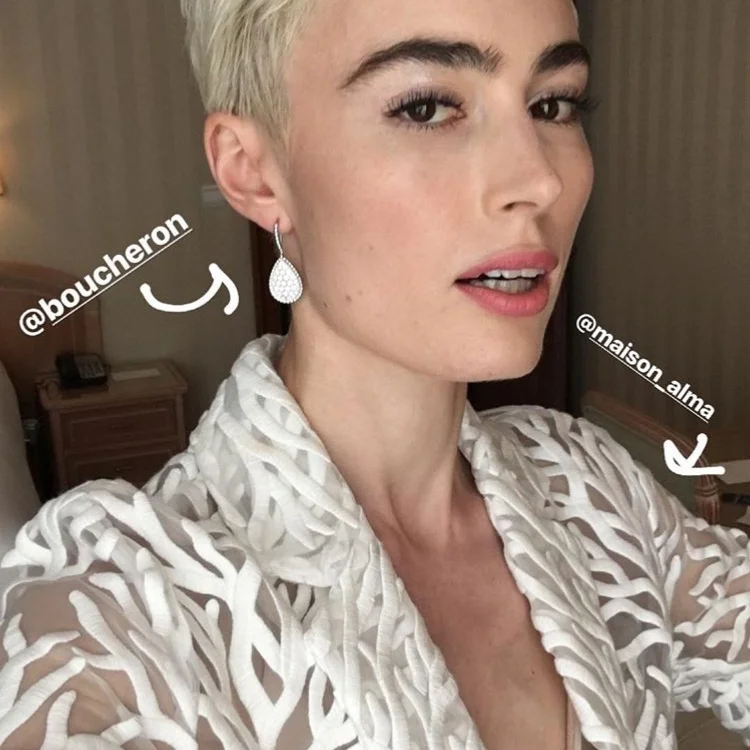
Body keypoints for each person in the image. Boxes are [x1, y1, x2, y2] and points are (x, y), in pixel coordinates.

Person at [1, 0, 749, 748]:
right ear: (253, 171)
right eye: (426, 107)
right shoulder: (112, 615)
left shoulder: (585, 482)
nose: (539, 180)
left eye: (553, 104)